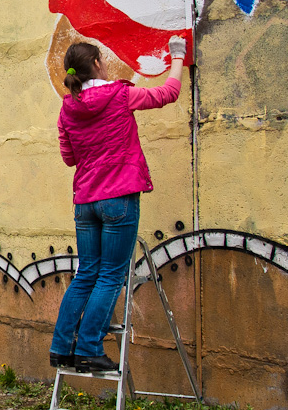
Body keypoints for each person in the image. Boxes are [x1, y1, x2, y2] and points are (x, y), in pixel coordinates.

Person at [49, 36, 187, 373]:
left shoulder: (68, 108)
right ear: (96, 64)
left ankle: (61, 347)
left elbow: (69, 158)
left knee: (87, 275)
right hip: (118, 198)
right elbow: (168, 94)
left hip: (86, 203)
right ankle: (89, 348)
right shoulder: (120, 95)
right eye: (104, 60)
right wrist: (178, 57)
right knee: (110, 276)